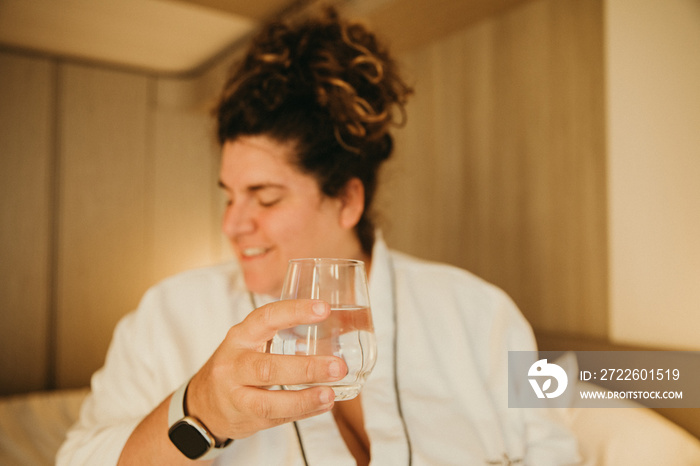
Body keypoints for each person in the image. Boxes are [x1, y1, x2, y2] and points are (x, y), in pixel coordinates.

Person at [57, 7, 580, 466]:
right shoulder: (167, 317)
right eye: (229, 195)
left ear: (348, 200)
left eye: (264, 197)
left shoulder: (483, 317)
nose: (233, 224)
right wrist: (201, 411)